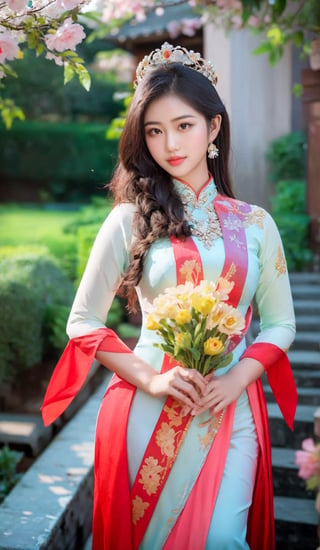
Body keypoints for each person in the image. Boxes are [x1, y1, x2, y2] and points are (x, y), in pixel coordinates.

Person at [41, 42, 297, 549]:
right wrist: (152, 382)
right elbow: (83, 320)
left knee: (224, 537)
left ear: (214, 128)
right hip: (147, 407)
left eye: (184, 125)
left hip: (232, 407)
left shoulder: (256, 225)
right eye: (154, 131)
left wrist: (236, 380)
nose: (170, 144)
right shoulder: (129, 220)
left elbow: (281, 323)